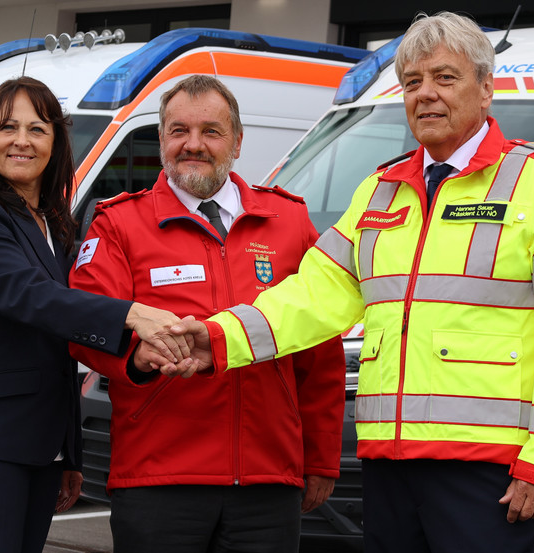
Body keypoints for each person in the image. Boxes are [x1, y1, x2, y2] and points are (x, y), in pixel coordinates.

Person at [170, 12, 534, 553]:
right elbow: (311, 296)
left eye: (444, 78)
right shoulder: (379, 191)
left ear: (487, 88)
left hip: (488, 469)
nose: (425, 95)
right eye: (412, 82)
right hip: (388, 463)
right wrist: (216, 338)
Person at [0, 76, 189, 553]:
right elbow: (28, 296)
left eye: (37, 129)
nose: (21, 141)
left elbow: (59, 348)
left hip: (35, 445)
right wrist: (133, 314)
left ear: (56, 142)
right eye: (7, 128)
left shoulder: (54, 223)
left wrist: (67, 453)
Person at [68, 75, 346, 553]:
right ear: (161, 141)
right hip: (159, 476)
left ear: (237, 142)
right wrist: (137, 357)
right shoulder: (119, 223)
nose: (192, 145)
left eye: (211, 132)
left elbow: (320, 349)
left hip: (266, 479)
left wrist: (320, 457)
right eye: (178, 131)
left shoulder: (288, 221)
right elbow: (85, 324)